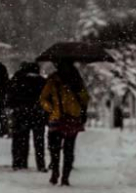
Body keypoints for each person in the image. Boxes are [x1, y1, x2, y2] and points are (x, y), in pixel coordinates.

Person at [40, 59, 89, 187]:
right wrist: (51, 108)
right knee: (63, 149)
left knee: (61, 149)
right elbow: (44, 99)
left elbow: (43, 99)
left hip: (63, 118)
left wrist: (51, 109)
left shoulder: (67, 80)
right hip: (65, 118)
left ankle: (62, 175)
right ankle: (59, 173)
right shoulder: (57, 80)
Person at [7, 61, 47, 171]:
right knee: (39, 141)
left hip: (21, 113)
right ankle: (41, 164)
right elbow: (47, 99)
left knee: (20, 139)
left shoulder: (18, 79)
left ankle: (19, 162)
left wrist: (13, 106)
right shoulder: (42, 81)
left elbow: (10, 94)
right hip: (38, 114)